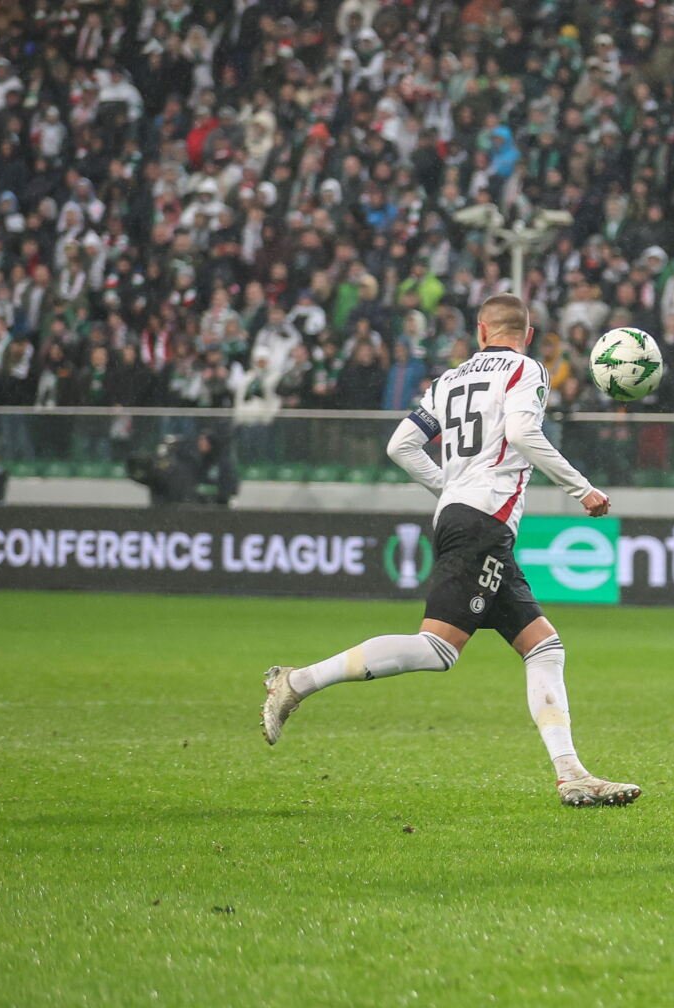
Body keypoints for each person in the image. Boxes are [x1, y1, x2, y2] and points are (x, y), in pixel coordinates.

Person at [259, 295, 639, 809]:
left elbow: (401, 446)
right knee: (437, 648)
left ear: (481, 331)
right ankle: (297, 681)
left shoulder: (447, 380)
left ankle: (571, 773)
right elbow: (523, 432)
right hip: (483, 525)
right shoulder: (526, 369)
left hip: (465, 518)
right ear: (525, 335)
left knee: (544, 647)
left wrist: (451, 489)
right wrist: (582, 489)